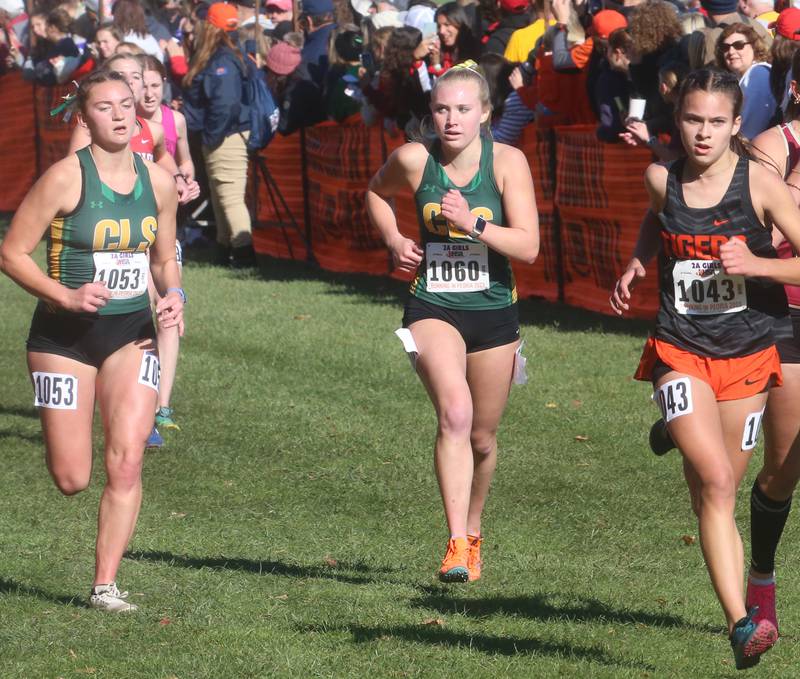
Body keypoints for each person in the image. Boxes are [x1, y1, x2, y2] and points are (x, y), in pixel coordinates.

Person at [609, 69, 800, 669]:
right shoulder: (660, 177)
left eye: (718, 122)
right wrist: (639, 262)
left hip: (748, 357)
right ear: (677, 120)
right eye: (694, 119)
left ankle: (676, 426)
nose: (704, 133)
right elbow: (655, 217)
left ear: (737, 126)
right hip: (679, 347)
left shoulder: (763, 185)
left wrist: (759, 265)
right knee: (716, 481)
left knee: (719, 486)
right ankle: (742, 623)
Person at [0, 70, 184, 611]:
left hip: (132, 334)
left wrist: (171, 294)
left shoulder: (159, 183)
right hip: (64, 337)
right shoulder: (64, 178)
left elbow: (163, 257)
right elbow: (11, 253)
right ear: (84, 117)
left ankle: (105, 585)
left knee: (127, 461)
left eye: (127, 105)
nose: (122, 115)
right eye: (106, 107)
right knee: (72, 477)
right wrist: (65, 296)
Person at [366, 61, 539, 583]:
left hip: (493, 311)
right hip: (432, 305)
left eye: (463, 109)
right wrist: (395, 239)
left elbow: (528, 247)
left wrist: (474, 222)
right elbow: (376, 192)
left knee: (483, 438)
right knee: (455, 416)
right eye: (441, 109)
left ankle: (474, 526)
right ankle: (456, 544)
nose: (452, 119)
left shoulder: (507, 162)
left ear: (485, 113)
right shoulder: (415, 160)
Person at [140, 54, 193, 435]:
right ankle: (136, 402)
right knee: (145, 310)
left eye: (155, 85)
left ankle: (162, 406)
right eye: (141, 84)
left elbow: (183, 162)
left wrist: (187, 182)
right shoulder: (122, 128)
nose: (148, 92)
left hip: (166, 227)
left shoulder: (174, 121)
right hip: (130, 232)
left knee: (170, 310)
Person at [182, 2, 255, 268]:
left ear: (210, 26)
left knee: (230, 197)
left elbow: (226, 104)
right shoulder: (223, 54)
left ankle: (246, 257)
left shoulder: (223, 59)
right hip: (223, 134)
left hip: (226, 136)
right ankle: (224, 251)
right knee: (220, 195)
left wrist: (213, 135)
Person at [715, 23, 776, 139]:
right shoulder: (743, 77)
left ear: (754, 46)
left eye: (738, 45)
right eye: (725, 47)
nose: (731, 51)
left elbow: (750, 130)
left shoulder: (758, 74)